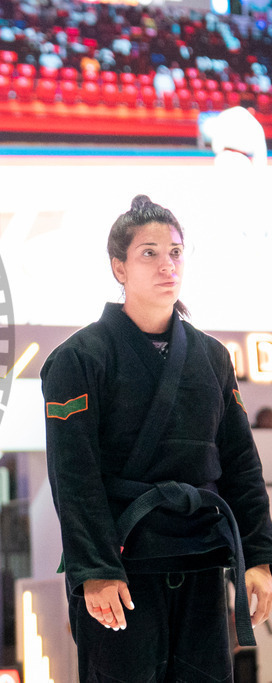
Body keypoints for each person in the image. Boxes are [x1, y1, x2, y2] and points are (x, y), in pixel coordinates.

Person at [41, 194, 272, 681]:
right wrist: (96, 569)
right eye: (149, 252)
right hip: (123, 566)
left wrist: (258, 557)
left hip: (202, 561)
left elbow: (241, 463)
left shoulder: (211, 357)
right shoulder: (78, 359)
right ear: (118, 268)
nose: (167, 264)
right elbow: (73, 474)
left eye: (175, 252)